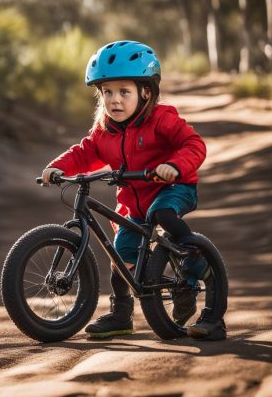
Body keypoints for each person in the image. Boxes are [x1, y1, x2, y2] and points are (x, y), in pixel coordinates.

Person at [41, 40, 226, 341]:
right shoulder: (105, 130)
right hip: (134, 205)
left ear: (146, 92)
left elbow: (194, 145)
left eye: (124, 92)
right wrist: (57, 167)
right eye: (107, 92)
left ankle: (195, 263)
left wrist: (175, 166)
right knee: (120, 255)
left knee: (162, 212)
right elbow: (84, 153)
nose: (114, 100)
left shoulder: (162, 119)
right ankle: (121, 315)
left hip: (174, 188)